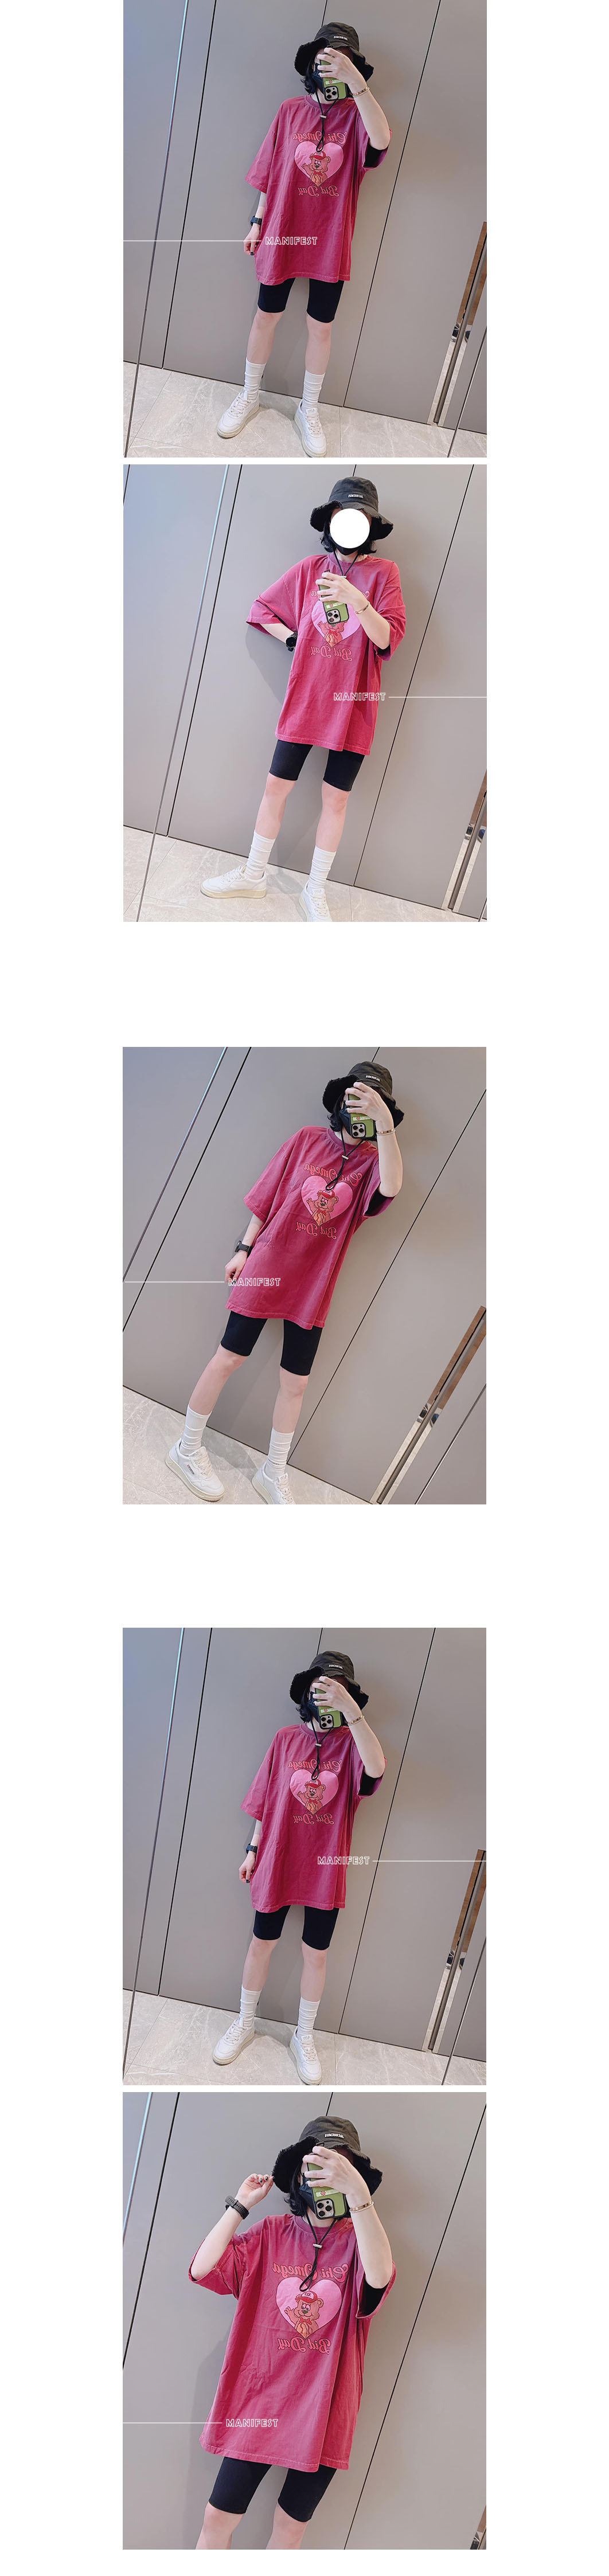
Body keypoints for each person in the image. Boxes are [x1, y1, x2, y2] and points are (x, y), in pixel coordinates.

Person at [166, 1062, 403, 1506]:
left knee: (296, 1383)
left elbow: (390, 1188)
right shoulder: (306, 1139)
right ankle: (186, 1447)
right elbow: (268, 1196)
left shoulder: (374, 1161)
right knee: (228, 1357)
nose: (360, 1109)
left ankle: (273, 1472)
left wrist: (385, 1124)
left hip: (314, 1283)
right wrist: (243, 1248)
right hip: (268, 1265)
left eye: (371, 1104)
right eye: (355, 1098)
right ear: (340, 1099)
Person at [189, 2113, 395, 2550]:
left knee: (291, 2527)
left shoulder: (362, 2242)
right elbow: (203, 2268)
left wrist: (359, 2195)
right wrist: (241, 2205)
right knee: (217, 2518)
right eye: (315, 2164)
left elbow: (379, 2278)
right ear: (299, 2172)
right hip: (261, 2400)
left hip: (325, 2408)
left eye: (338, 2166)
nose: (325, 2176)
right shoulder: (271, 2234)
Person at [202, 478, 405, 920]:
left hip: (354, 704)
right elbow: (262, 610)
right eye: (342, 516)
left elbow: (387, 639)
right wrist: (294, 640)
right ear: (331, 521)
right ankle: (254, 874)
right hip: (307, 700)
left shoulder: (385, 574)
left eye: (360, 518)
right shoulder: (311, 569)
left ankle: (315, 890)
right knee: (276, 787)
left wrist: (358, 600)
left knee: (336, 799)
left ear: (370, 525)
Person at [217, 25, 391, 458]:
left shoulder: (357, 115)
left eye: (340, 61)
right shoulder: (290, 111)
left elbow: (382, 141)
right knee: (266, 316)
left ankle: (308, 408)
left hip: (330, 239)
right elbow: (270, 170)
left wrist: (357, 83)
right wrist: (257, 221)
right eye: (324, 60)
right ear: (311, 64)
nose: (329, 68)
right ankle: (249, 394)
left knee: (321, 326)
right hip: (284, 232)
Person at [212, 1652, 386, 2082]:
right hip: (278, 1858)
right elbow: (266, 1798)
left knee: (316, 1954)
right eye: (319, 1688)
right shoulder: (285, 1739)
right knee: (261, 1944)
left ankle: (303, 2035)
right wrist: (252, 1849)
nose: (324, 1696)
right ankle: (245, 2021)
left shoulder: (353, 1743)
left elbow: (377, 1769)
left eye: (335, 1690)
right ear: (305, 1693)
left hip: (325, 1866)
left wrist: (351, 1712)